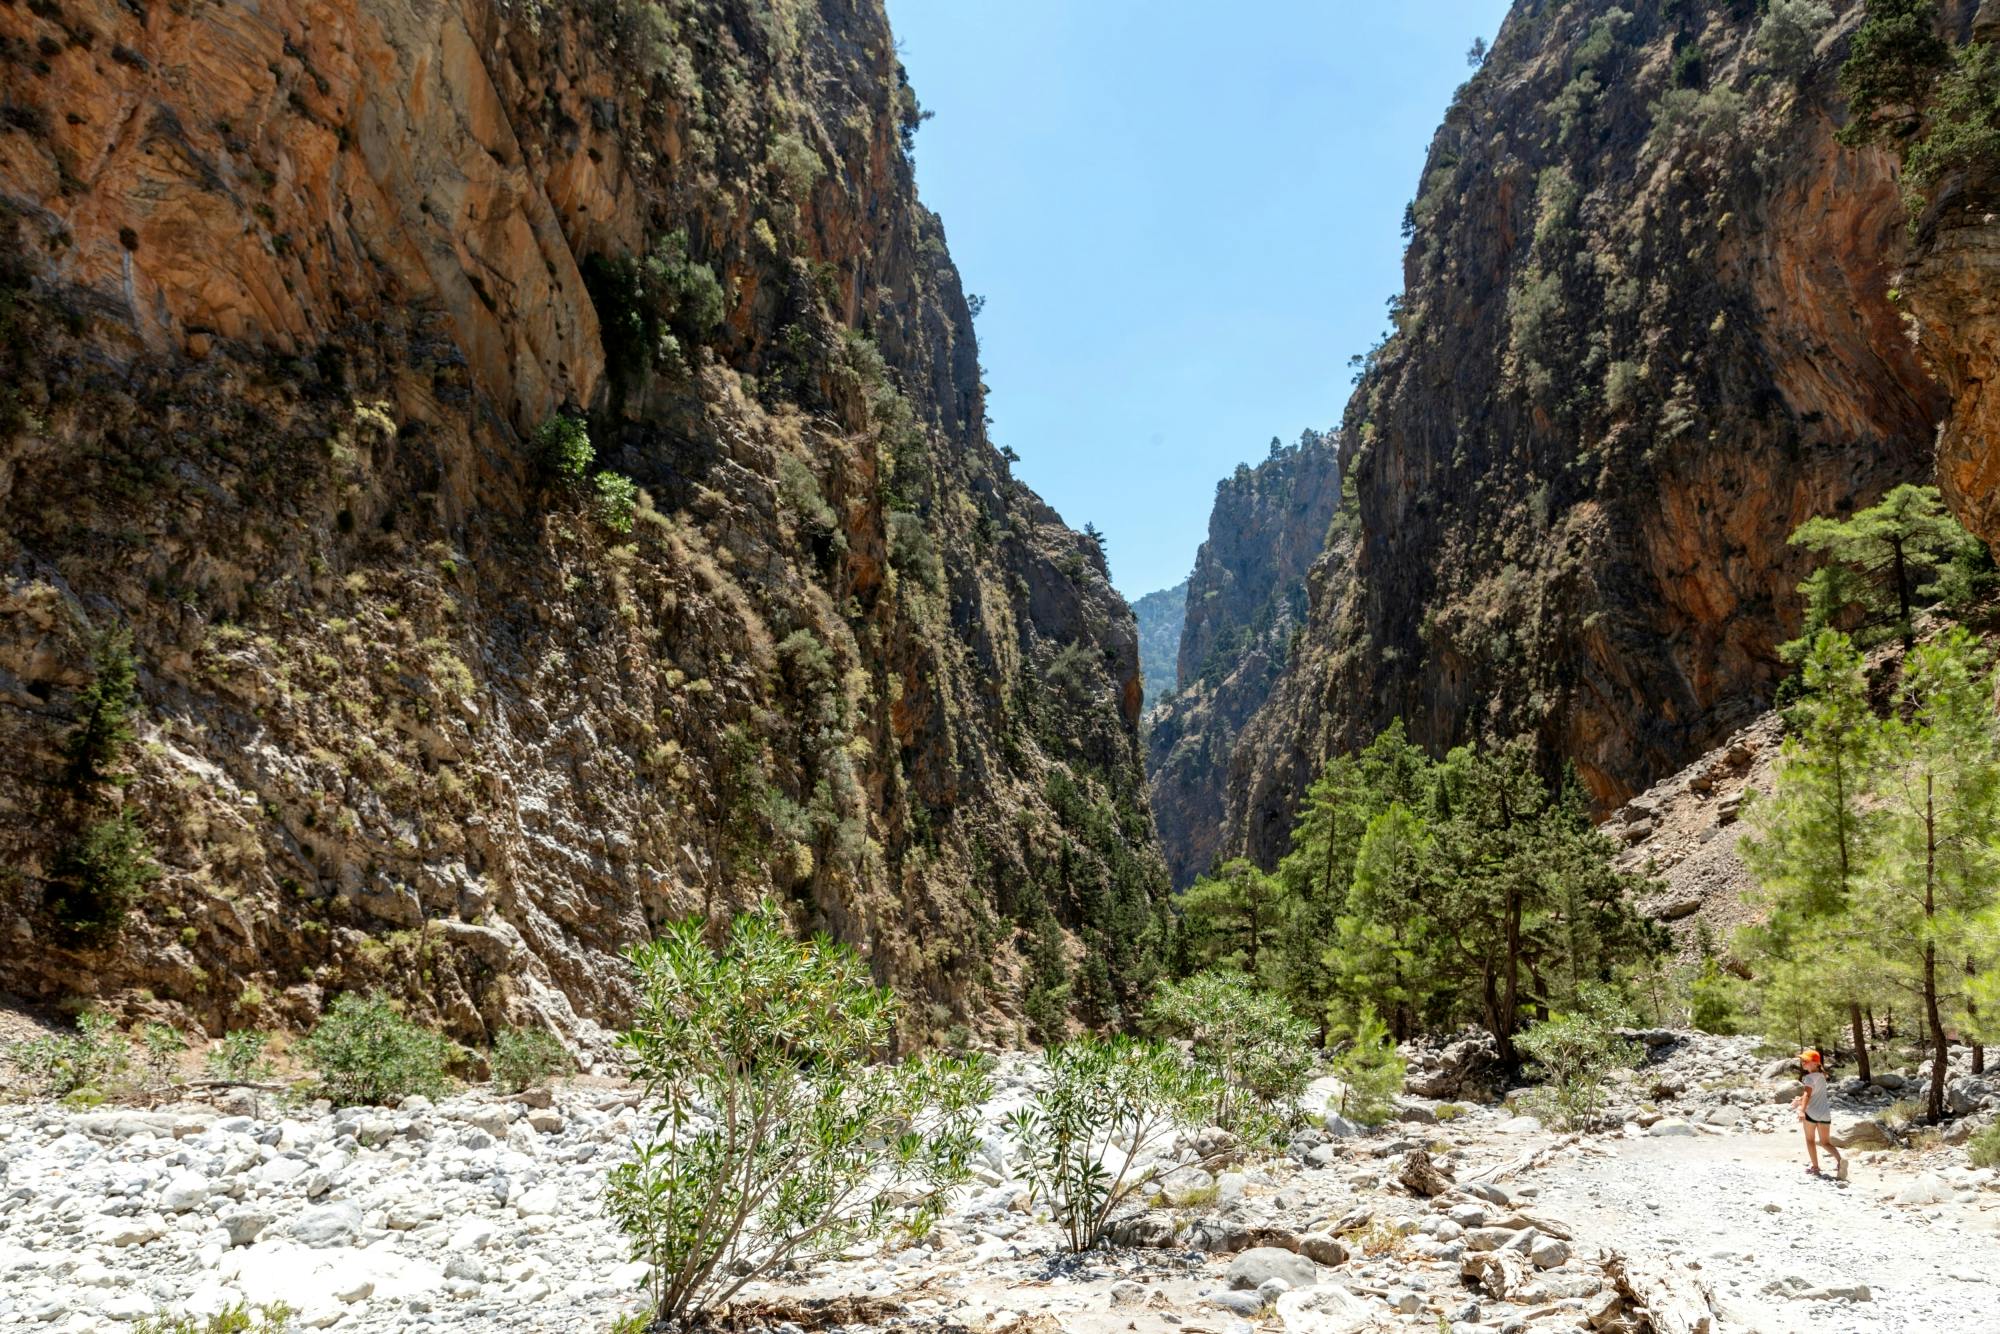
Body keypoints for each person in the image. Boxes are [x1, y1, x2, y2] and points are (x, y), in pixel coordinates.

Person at [1794, 1049, 1845, 1180]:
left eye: (1806, 1060)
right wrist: (1800, 1100)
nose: (1803, 1062)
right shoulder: (1822, 1077)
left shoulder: (1809, 1077)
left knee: (1810, 1140)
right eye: (1803, 1060)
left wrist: (1801, 1110)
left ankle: (1815, 1167)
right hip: (1825, 1114)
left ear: (1815, 1063)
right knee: (1825, 1143)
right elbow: (1814, 1095)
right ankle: (1840, 1161)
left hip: (1811, 1114)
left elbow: (1808, 1094)